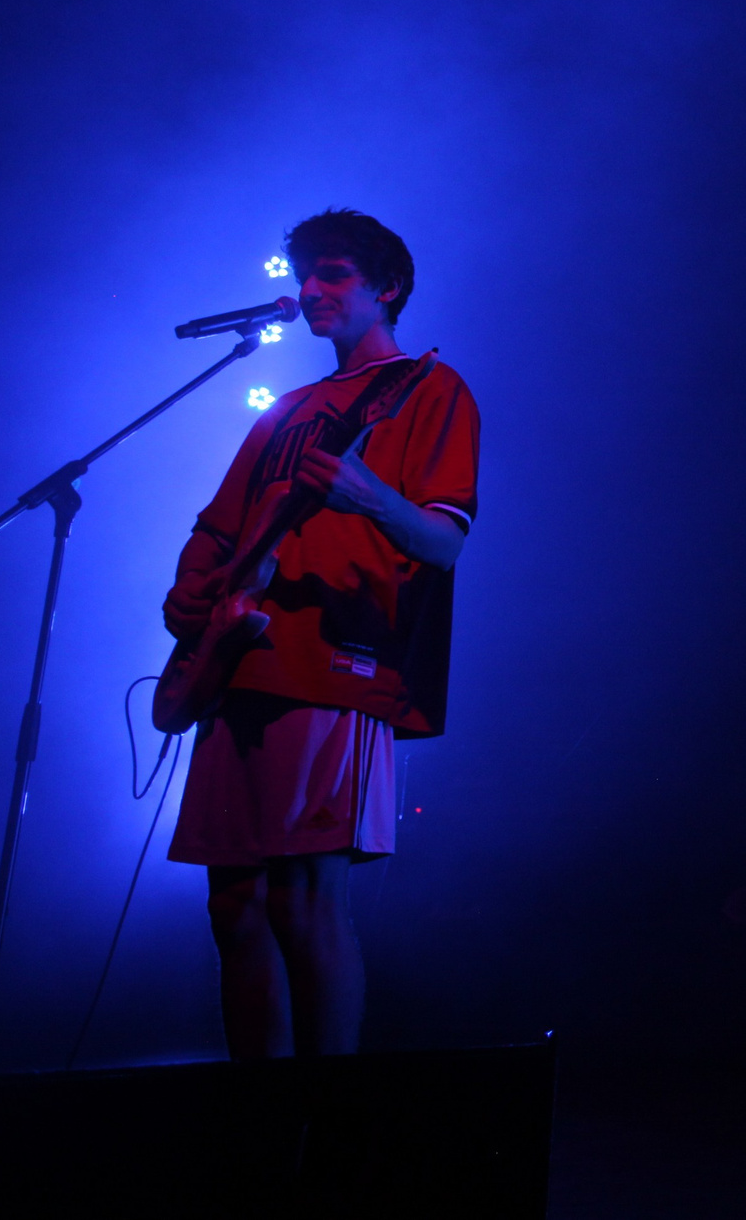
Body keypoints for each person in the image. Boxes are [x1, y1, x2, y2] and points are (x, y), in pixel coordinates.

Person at [159, 209, 479, 1058]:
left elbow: (445, 541)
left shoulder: (426, 389)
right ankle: (262, 1133)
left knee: (304, 899)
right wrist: (189, 599)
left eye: (333, 274)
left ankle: (327, 1134)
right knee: (234, 908)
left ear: (388, 288)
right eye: (306, 275)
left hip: (333, 663)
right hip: (240, 661)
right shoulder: (290, 406)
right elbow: (218, 528)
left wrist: (370, 494)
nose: (310, 291)